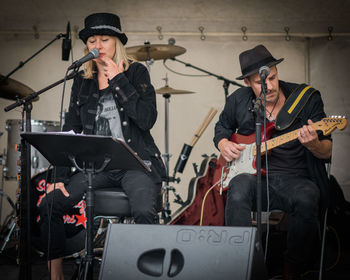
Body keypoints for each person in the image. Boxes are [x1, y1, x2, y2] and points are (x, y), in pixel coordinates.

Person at [38, 12, 166, 280]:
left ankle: (147, 274)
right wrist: (59, 178)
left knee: (144, 210)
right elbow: (70, 130)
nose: (97, 45)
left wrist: (118, 79)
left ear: (117, 43)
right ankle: (56, 274)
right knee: (50, 203)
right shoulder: (81, 81)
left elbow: (146, 120)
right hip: (97, 164)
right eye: (92, 40)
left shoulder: (137, 72)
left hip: (135, 164)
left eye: (104, 39)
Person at [213, 45, 332, 279]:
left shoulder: (306, 98)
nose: (268, 86)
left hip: (294, 179)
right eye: (260, 83)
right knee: (236, 190)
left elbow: (326, 151)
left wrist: (313, 144)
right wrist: (223, 144)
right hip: (254, 177)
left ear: (277, 71)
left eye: (273, 78)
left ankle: (294, 268)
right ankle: (242, 262)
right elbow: (222, 128)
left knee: (308, 195)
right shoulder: (238, 100)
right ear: (247, 83)